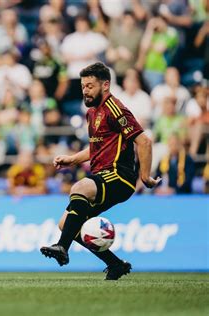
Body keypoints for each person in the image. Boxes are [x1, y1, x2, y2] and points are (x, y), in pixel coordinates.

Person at [40, 62, 161, 280]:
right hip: (102, 176)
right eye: (83, 86)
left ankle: (61, 247)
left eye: (90, 86)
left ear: (105, 85)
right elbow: (96, 147)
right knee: (65, 223)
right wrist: (72, 159)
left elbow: (144, 142)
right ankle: (115, 265)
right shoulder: (92, 112)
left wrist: (145, 176)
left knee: (80, 187)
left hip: (120, 176)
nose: (85, 90)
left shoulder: (115, 108)